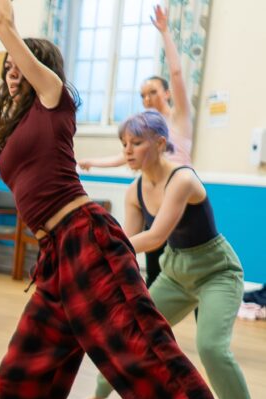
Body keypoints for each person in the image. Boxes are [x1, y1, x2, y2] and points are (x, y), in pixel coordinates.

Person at [0, 0, 260, 399]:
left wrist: (0, 19)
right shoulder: (6, 128)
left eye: (18, 67)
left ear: (40, 71)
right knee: (18, 374)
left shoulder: (55, 101)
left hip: (88, 242)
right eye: (7, 70)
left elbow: (8, 26)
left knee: (150, 369)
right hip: (55, 260)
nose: (10, 75)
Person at [65, 111, 262, 399]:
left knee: (212, 348)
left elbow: (154, 237)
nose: (127, 151)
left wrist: (103, 250)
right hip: (175, 273)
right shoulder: (133, 190)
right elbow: (129, 242)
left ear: (159, 143)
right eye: (124, 144)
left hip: (217, 272)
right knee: (129, 334)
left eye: (136, 143)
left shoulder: (182, 180)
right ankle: (98, 394)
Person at [77, 6, 192, 285]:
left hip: (179, 198)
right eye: (143, 95)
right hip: (154, 197)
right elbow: (126, 155)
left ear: (166, 93)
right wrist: (93, 162)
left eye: (153, 91)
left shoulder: (179, 119)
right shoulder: (144, 131)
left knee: (189, 270)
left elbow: (176, 73)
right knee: (155, 266)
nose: (148, 98)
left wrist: (165, 33)